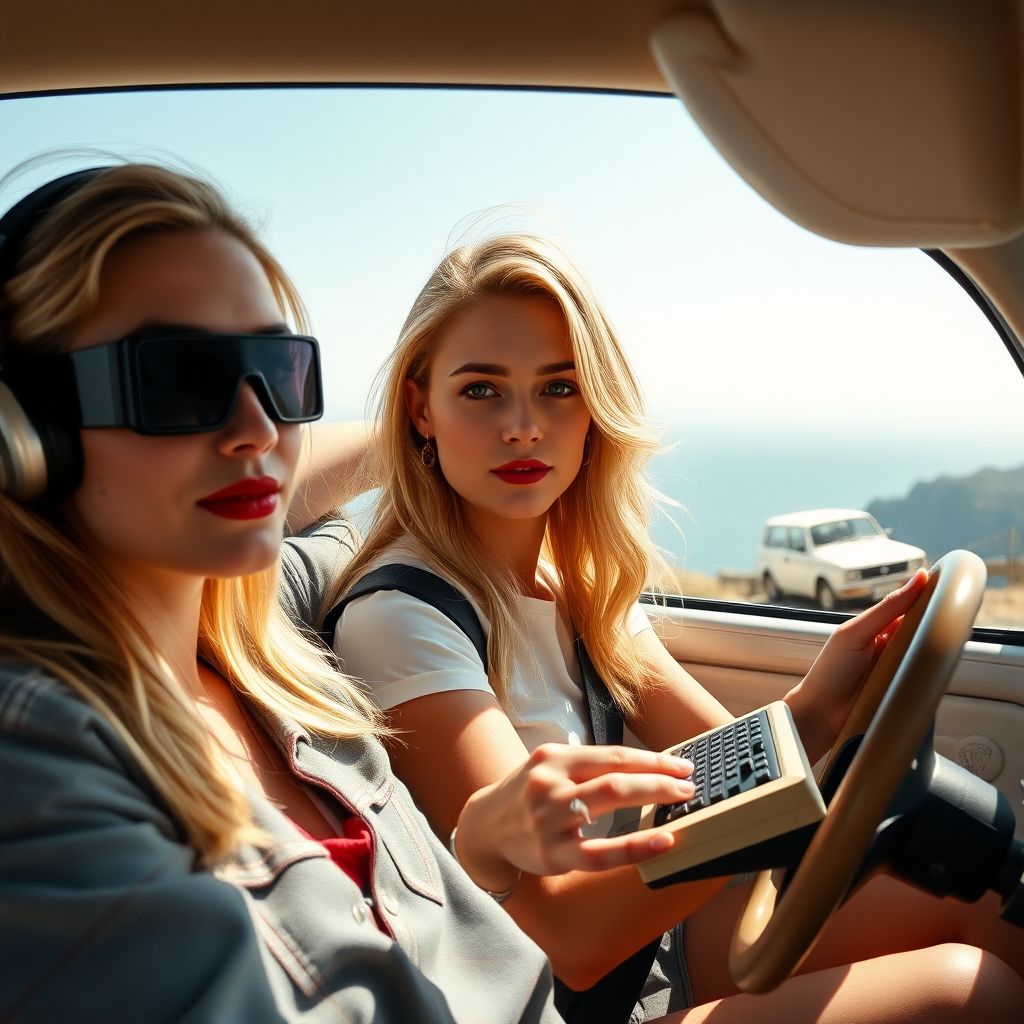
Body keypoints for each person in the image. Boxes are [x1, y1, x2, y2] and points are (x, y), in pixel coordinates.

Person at [0, 163, 713, 1024]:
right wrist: (439, 417)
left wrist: (479, 864)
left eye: (276, 371)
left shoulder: (271, 648)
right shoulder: (40, 769)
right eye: (180, 380)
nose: (260, 428)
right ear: (25, 432)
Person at [306, 233, 1024, 1020]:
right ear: (420, 406)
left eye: (559, 388)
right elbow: (568, 936)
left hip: (654, 943)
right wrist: (793, 776)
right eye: (480, 391)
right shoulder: (402, 619)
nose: (523, 426)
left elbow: (721, 772)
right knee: (968, 988)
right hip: (564, 998)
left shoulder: (578, 586)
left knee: (992, 907)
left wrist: (821, 707)